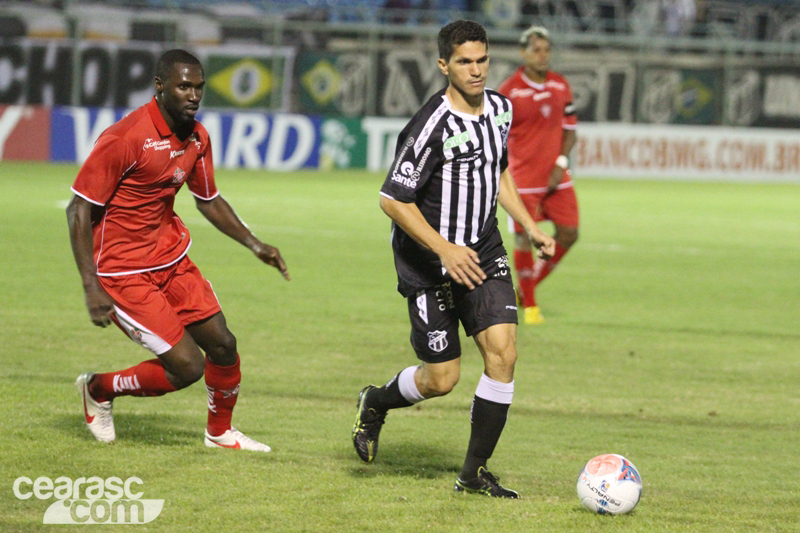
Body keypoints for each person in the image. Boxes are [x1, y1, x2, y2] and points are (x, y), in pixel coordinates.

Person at [351, 20, 555, 498]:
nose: (476, 70)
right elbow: (392, 199)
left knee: (503, 353)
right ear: (444, 65)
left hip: (482, 250)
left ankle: (472, 474)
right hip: (427, 264)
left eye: (482, 60)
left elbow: (497, 171)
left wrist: (527, 224)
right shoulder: (430, 125)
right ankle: (375, 401)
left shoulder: (501, 110)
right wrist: (443, 249)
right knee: (442, 379)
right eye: (465, 61)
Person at [66, 49, 289, 451]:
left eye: (199, 87)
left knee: (223, 345)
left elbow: (208, 199)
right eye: (184, 86)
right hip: (123, 272)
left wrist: (255, 244)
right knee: (188, 367)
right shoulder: (125, 138)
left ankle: (220, 433)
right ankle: (99, 389)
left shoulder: (197, 136)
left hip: (172, 261)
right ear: (160, 87)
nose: (194, 95)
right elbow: (78, 209)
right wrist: (90, 285)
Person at [497, 26, 578, 325]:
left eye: (546, 50)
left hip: (557, 176)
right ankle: (530, 306)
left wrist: (560, 161)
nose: (542, 56)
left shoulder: (560, 85)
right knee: (523, 240)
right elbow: (495, 133)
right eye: (536, 50)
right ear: (523, 53)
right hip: (523, 179)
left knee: (570, 232)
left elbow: (570, 130)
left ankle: (526, 288)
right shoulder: (510, 90)